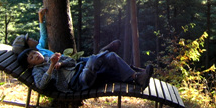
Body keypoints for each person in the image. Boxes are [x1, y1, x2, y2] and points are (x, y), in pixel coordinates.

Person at [17, 46, 154, 92]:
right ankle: (102, 53)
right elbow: (41, 84)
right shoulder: (37, 70)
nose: (36, 55)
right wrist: (52, 67)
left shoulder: (50, 58)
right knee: (95, 59)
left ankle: (137, 77)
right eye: (31, 57)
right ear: (30, 65)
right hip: (78, 83)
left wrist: (62, 63)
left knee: (110, 57)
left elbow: (72, 61)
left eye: (35, 53)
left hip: (80, 70)